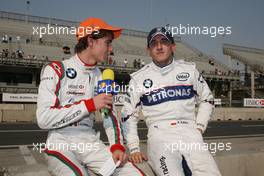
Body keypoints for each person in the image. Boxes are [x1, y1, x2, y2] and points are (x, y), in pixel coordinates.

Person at [37, 17, 145, 176]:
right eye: (107, 42)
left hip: (90, 142)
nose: (110, 49)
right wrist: (89, 105)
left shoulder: (102, 77)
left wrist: (116, 146)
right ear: (91, 41)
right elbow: (43, 118)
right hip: (60, 141)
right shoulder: (56, 69)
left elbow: (110, 117)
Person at [121, 27, 221, 176]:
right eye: (154, 43)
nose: (159, 46)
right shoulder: (138, 78)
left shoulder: (189, 70)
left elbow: (207, 99)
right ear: (149, 50)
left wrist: (199, 127)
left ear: (173, 46)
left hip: (190, 132)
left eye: (164, 42)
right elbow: (128, 114)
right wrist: (134, 148)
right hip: (159, 136)